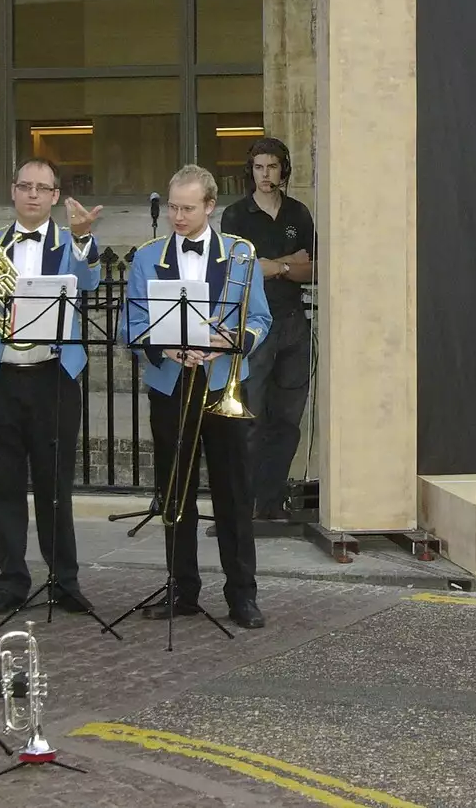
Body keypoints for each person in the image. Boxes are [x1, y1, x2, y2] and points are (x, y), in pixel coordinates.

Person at [0, 157, 104, 616]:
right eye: (25, 186)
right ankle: (11, 581)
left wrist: (82, 237)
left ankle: (65, 579)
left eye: (43, 187)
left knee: (54, 482)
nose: (34, 194)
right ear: (13, 191)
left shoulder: (70, 243)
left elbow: (90, 281)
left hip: (53, 378)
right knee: (2, 485)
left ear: (57, 196)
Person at [125, 164, 272, 629]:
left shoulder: (241, 256)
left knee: (234, 493)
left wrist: (234, 339)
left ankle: (242, 594)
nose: (177, 217)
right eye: (172, 207)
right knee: (175, 493)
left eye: (187, 208)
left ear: (210, 206)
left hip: (222, 381)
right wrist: (164, 346)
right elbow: (131, 328)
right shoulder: (148, 257)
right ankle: (181, 590)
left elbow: (262, 320)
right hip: (171, 385)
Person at [219, 137, 317, 521]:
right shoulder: (236, 215)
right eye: (259, 167)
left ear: (283, 171)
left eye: (272, 167)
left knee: (287, 419)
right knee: (251, 416)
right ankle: (246, 501)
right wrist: (286, 266)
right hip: (255, 326)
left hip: (294, 323)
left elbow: (314, 268)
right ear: (251, 171)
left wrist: (273, 265)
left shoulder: (298, 213)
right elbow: (240, 269)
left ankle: (271, 502)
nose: (265, 174)